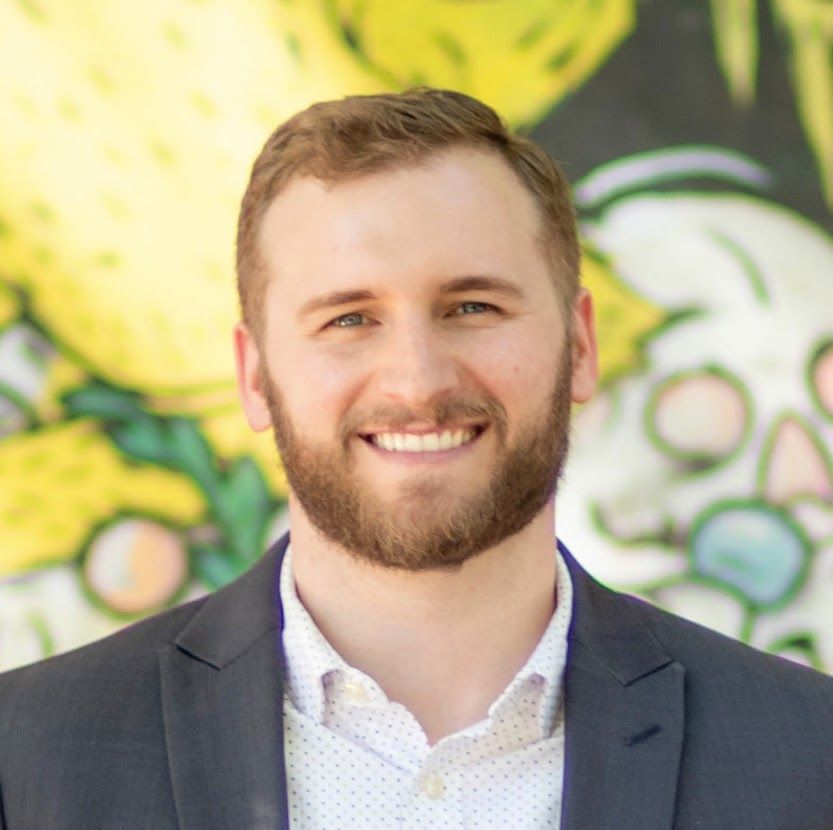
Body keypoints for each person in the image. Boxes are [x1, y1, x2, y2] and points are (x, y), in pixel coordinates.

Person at [1, 87, 832, 830]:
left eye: (471, 307)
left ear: (579, 346)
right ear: (254, 376)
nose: (417, 380)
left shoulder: (805, 756)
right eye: (348, 319)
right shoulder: (30, 757)